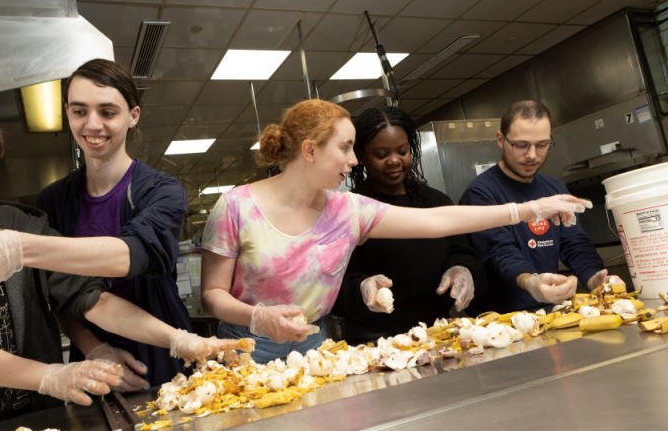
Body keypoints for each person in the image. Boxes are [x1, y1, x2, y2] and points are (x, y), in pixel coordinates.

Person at [0, 101, 243, 431]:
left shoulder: (25, 225)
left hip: (40, 420)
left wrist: (179, 339)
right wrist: (50, 376)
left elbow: (92, 300)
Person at [200, 99, 590, 364]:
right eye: (347, 148)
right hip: (243, 350)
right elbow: (212, 296)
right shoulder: (235, 206)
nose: (354, 161)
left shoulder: (347, 210)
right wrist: (258, 318)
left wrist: (529, 209)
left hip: (312, 348)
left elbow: (439, 221)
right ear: (309, 150)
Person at [36, 59, 193, 387]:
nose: (92, 125)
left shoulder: (161, 191)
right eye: (79, 112)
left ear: (133, 116)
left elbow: (134, 253)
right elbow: (59, 294)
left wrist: (20, 247)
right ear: (67, 113)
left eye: (107, 112)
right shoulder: (54, 201)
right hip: (95, 362)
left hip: (165, 350)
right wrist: (94, 349)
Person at [331, 106, 486, 344]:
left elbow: (463, 252)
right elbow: (335, 283)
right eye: (381, 154)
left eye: (402, 151)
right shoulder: (349, 210)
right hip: (375, 340)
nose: (394, 160)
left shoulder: (436, 201)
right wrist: (362, 287)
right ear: (361, 156)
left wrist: (462, 268)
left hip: (439, 331)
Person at [458, 100, 617, 314]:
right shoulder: (481, 193)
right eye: (522, 145)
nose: (532, 155)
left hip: (549, 311)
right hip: (500, 319)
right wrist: (532, 282)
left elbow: (574, 243)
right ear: (500, 140)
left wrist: (594, 277)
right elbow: (500, 253)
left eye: (542, 145)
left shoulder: (554, 188)